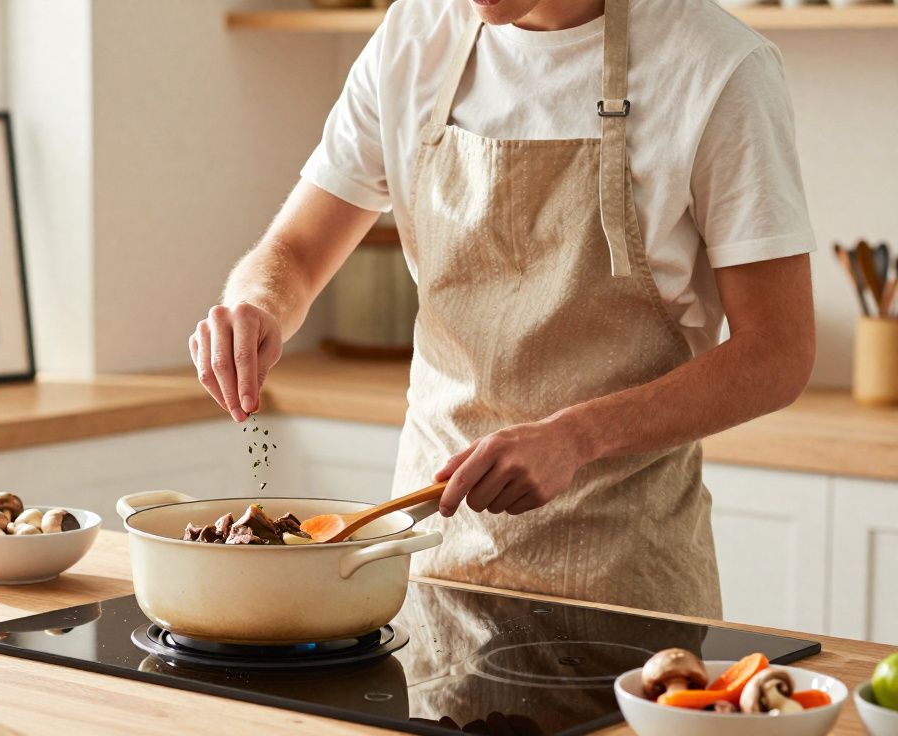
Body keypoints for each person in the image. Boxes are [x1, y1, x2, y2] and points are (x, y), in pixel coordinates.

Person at [189, 0, 816, 619]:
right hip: (424, 565)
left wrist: (575, 437)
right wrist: (256, 307)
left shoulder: (717, 66)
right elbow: (295, 251)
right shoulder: (415, 35)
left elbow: (778, 351)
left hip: (624, 581)